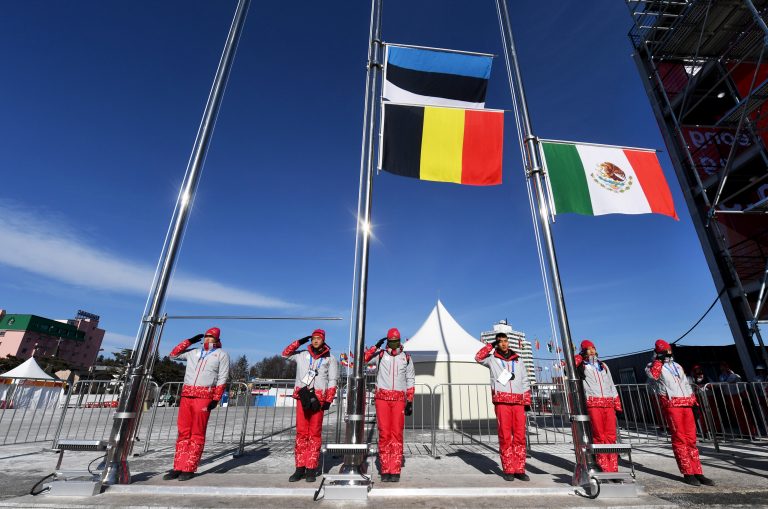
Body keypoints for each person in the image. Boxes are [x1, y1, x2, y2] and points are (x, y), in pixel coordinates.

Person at [163, 327, 230, 481]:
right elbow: (173, 354)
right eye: (206, 336)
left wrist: (216, 398)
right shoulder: (193, 352)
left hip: (204, 396)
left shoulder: (221, 355)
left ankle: (189, 467)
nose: (207, 339)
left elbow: (222, 377)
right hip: (187, 394)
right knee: (183, 432)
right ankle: (178, 466)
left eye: (211, 337)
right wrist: (189, 341)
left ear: (217, 339)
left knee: (197, 433)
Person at [645, 339, 714, 486]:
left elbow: (685, 384)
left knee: (691, 439)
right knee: (680, 439)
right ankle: (687, 472)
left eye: (669, 351)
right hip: (672, 404)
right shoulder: (653, 366)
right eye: (665, 351)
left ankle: (698, 471)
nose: (668, 354)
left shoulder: (677, 366)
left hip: (686, 404)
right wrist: (659, 360)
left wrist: (694, 402)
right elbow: (653, 376)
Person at [282, 329, 339, 483]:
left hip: (319, 399)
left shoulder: (330, 359)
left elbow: (333, 380)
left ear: (323, 340)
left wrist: (329, 399)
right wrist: (299, 341)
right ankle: (299, 468)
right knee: (301, 433)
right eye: (313, 338)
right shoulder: (301, 354)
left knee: (314, 434)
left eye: (318, 338)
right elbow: (285, 353)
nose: (315, 340)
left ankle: (311, 468)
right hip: (303, 396)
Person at [475, 332, 531, 481]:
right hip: (502, 401)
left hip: (518, 401)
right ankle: (508, 469)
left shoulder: (518, 360)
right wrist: (490, 346)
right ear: (497, 344)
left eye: (506, 341)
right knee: (506, 436)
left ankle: (520, 469)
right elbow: (478, 357)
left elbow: (525, 380)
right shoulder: (492, 359)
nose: (504, 344)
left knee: (519, 436)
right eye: (500, 342)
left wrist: (527, 401)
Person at [363, 328, 415, 482]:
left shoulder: (406, 358)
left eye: (396, 341)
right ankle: (386, 469)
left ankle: (395, 469)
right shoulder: (380, 355)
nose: (393, 345)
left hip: (399, 399)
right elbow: (363, 359)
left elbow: (410, 379)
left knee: (396, 434)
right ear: (387, 341)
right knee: (384, 433)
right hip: (382, 399)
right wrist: (375, 347)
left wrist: (410, 400)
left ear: (399, 341)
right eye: (390, 342)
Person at [574, 339, 622, 474]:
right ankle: (604, 466)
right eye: (588, 349)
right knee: (599, 436)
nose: (591, 351)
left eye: (593, 348)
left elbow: (611, 385)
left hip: (608, 403)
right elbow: (568, 368)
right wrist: (579, 356)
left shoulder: (604, 366)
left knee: (611, 436)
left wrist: (617, 404)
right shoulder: (582, 366)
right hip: (594, 403)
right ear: (583, 351)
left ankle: (613, 468)